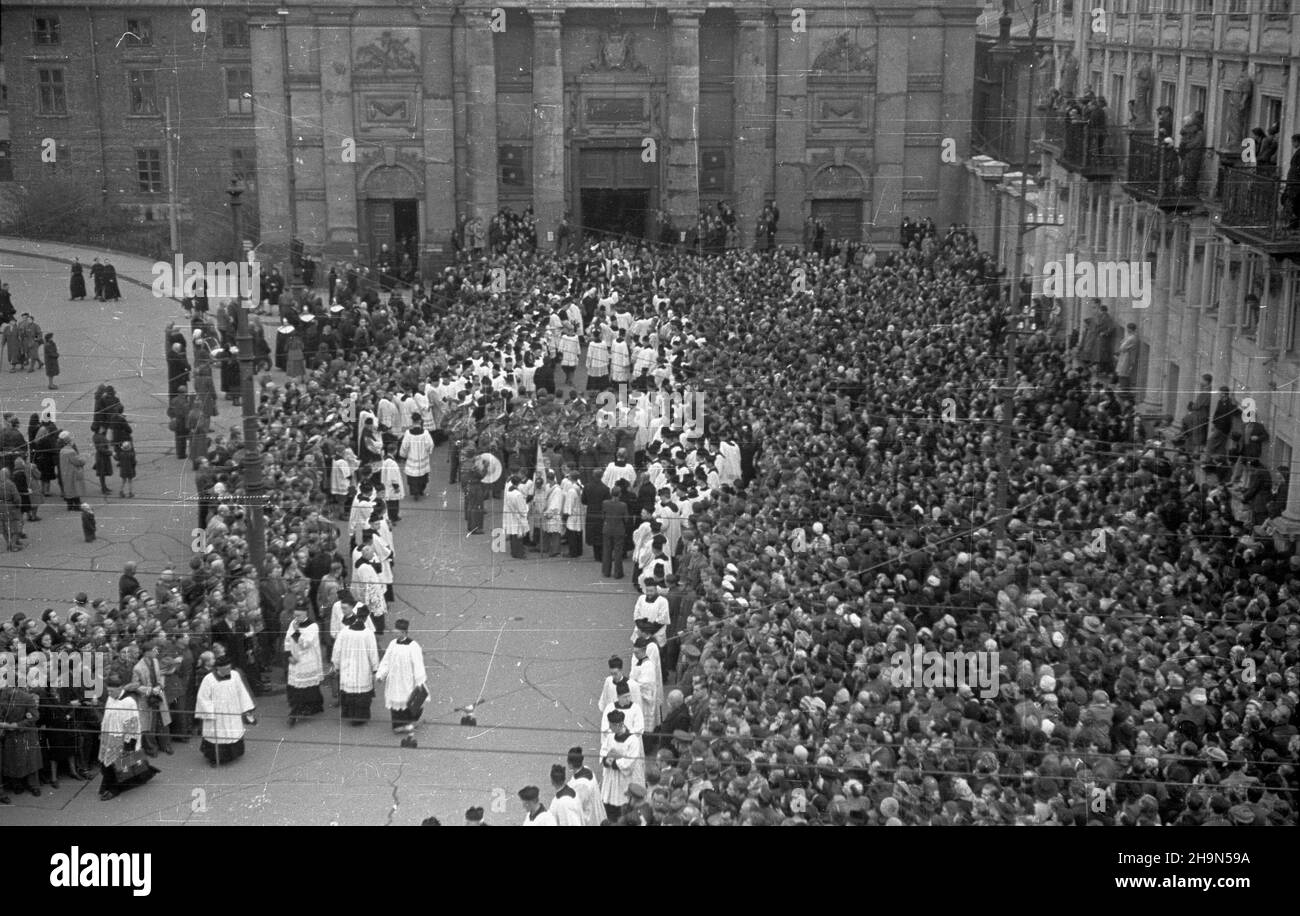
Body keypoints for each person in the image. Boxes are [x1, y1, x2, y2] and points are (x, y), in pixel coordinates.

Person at [96, 673, 160, 801]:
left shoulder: (128, 702)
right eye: (108, 690)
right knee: (109, 763)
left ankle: (114, 790)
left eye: (112, 691)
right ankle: (110, 786)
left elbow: (133, 723)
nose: (109, 693)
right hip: (109, 736)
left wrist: (129, 743)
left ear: (120, 689)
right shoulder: (110, 698)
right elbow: (107, 717)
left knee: (118, 764)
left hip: (122, 737)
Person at [195, 655, 256, 766]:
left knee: (233, 732)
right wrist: (210, 713)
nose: (229, 670)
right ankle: (215, 758)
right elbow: (202, 698)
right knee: (218, 735)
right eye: (226, 669)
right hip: (217, 714)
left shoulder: (235, 675)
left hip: (233, 710)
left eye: (230, 667)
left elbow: (241, 692)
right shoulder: (208, 679)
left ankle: (233, 755)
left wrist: (246, 709)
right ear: (219, 668)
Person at [375, 618, 427, 736]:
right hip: (394, 679)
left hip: (407, 679)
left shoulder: (413, 646)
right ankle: (398, 726)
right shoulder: (392, 644)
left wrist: (420, 681)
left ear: (403, 632)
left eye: (397, 631)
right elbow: (386, 661)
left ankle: (408, 723)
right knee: (395, 701)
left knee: (408, 700)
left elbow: (418, 665)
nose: (394, 632)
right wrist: (381, 675)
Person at [332, 606, 380, 725]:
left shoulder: (344, 631)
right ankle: (358, 718)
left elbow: (337, 650)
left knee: (348, 691)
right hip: (362, 668)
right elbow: (373, 653)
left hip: (347, 667)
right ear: (365, 618)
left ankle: (348, 714)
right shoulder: (368, 634)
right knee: (361, 694)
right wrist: (375, 669)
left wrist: (336, 665)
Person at [130, 640, 174, 757]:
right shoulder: (137, 668)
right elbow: (135, 686)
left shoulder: (155, 661)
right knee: (149, 724)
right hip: (147, 698)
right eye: (154, 650)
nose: (156, 652)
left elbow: (159, 678)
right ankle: (151, 749)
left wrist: (159, 686)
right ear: (146, 653)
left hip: (159, 694)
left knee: (163, 721)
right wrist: (150, 690)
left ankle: (166, 745)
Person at [284, 606, 325, 726]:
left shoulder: (313, 626)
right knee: (295, 685)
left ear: (306, 614)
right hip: (295, 660)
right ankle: (298, 709)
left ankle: (309, 708)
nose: (296, 618)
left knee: (307, 687)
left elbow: (305, 644)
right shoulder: (293, 623)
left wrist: (297, 631)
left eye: (299, 616)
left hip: (308, 660)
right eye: (295, 615)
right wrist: (288, 654)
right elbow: (287, 639)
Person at [0, 682, 43, 797]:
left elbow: (34, 716)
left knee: (31, 761)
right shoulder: (3, 696)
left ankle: (34, 785)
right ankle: (17, 784)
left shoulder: (27, 697)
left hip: (26, 733)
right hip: (10, 734)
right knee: (13, 760)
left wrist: (17, 725)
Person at [599, 709, 642, 822]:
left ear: (619, 725)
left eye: (611, 725)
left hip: (623, 778)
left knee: (621, 807)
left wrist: (614, 762)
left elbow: (630, 761)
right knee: (608, 804)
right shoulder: (610, 736)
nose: (609, 727)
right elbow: (604, 750)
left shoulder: (632, 740)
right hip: (611, 777)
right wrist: (605, 760)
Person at [398, 413, 434, 500]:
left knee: (413, 477)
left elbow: (404, 446)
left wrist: (403, 454)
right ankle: (421, 490)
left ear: (412, 421)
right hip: (422, 459)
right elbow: (430, 444)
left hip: (412, 459)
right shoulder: (425, 433)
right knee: (423, 475)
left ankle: (415, 492)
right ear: (420, 421)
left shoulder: (408, 433)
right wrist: (428, 451)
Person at [566, 746, 603, 826]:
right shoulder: (587, 770)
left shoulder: (581, 784)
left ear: (570, 764)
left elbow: (576, 807)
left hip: (587, 818)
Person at [601, 481, 630, 578]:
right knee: (618, 552)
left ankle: (606, 571)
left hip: (607, 528)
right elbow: (626, 519)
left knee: (607, 550)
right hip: (619, 529)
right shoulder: (623, 505)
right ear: (620, 494)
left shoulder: (605, 503)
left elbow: (603, 515)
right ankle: (618, 573)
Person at [57, 431, 85, 511]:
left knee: (68, 489)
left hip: (64, 472)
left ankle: (69, 505)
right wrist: (83, 459)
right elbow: (78, 461)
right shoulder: (71, 452)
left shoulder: (62, 450)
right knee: (75, 489)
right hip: (72, 472)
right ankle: (77, 506)